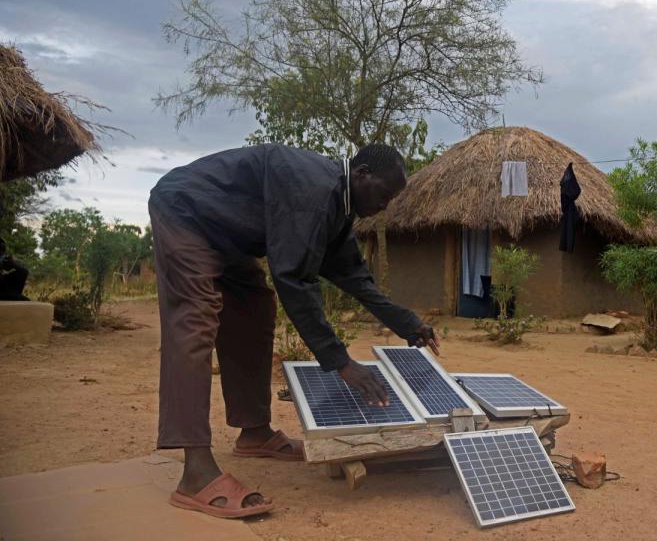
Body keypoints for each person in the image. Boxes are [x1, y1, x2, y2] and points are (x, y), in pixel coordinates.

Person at [148, 143, 439, 519]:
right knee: (195, 319)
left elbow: (354, 276)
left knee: (255, 307)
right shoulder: (315, 192)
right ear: (362, 172)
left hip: (227, 234)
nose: (385, 206)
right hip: (186, 211)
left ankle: (254, 433)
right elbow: (295, 279)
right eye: (384, 194)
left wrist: (408, 323)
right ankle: (196, 473)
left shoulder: (338, 207)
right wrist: (340, 362)